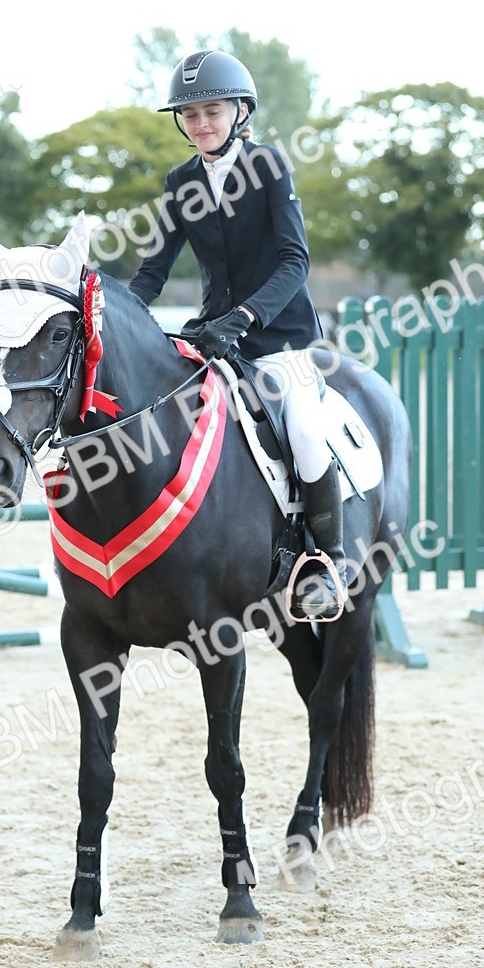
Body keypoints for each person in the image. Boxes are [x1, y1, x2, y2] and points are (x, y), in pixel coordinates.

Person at [128, 49, 346, 619]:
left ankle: (328, 560)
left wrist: (247, 317)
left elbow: (294, 261)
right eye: (190, 114)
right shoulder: (181, 182)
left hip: (280, 334)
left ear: (240, 111)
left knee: (301, 425)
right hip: (212, 335)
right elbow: (153, 271)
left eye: (213, 111)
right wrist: (114, 314)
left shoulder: (269, 166)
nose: (201, 123)